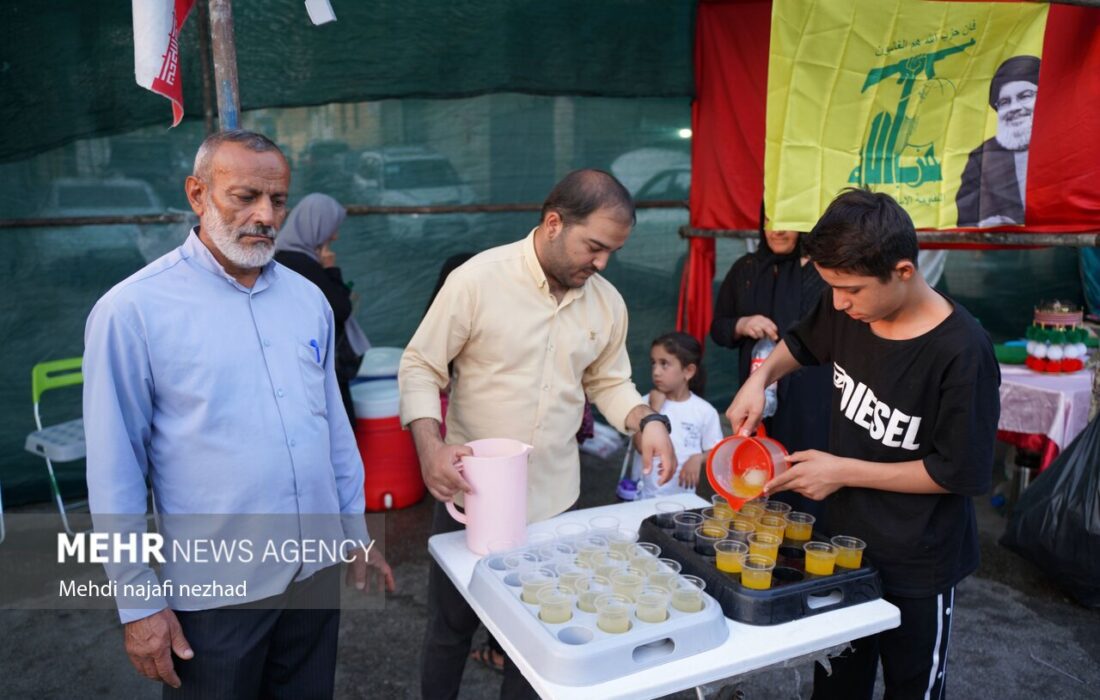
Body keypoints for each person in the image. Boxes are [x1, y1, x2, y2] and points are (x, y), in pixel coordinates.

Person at [83, 129, 395, 698]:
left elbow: (331, 426)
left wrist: (355, 529)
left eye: (277, 200)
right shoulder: (132, 312)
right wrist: (137, 600)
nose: (265, 215)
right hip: (218, 592)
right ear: (197, 194)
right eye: (244, 196)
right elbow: (114, 471)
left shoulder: (307, 300)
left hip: (314, 574)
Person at [399, 168, 677, 699]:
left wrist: (648, 422)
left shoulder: (606, 302)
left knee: (538, 637)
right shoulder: (478, 280)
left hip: (554, 502)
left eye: (611, 252)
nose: (601, 263)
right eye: (594, 246)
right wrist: (430, 448)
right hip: (470, 497)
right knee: (450, 631)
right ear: (554, 223)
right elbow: (420, 367)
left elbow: (610, 380)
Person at [725, 189, 999, 699]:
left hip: (920, 560)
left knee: (910, 687)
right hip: (845, 545)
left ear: (902, 272)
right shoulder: (847, 309)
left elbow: (956, 473)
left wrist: (842, 470)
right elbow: (801, 343)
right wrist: (758, 382)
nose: (838, 302)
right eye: (830, 287)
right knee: (836, 683)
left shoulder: (962, 354)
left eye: (849, 289)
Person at [710, 218, 831, 517]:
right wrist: (743, 324)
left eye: (788, 222)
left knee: (803, 468)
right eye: (769, 221)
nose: (776, 230)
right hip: (757, 389)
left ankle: (803, 534)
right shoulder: (748, 268)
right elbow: (719, 327)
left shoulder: (822, 270)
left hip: (812, 396)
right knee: (753, 464)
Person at [274, 193, 371, 425]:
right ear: (316, 225)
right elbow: (340, 309)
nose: (335, 236)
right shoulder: (301, 264)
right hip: (319, 367)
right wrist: (330, 269)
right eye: (332, 227)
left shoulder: (284, 257)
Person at [631, 332, 723, 499]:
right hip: (642, 498)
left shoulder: (704, 411)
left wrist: (698, 458)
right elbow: (639, 445)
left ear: (688, 371)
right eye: (653, 363)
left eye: (664, 364)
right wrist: (654, 409)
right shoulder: (644, 404)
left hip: (682, 499)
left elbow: (717, 450)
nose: (656, 371)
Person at [956, 55, 1040, 227]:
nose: (1014, 108)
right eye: (1004, 102)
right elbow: (967, 217)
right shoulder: (982, 157)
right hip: (1002, 251)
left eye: (1025, 96)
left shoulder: (1068, 146)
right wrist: (985, 223)